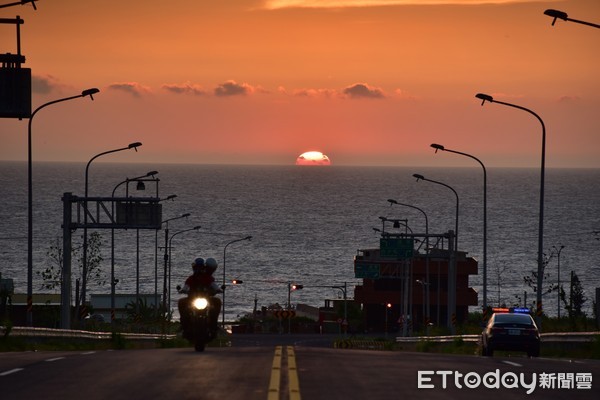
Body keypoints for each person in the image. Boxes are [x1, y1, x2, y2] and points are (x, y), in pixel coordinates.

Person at [177, 257, 222, 335]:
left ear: (204, 268)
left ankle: (214, 324)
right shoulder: (191, 279)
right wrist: (182, 290)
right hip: (192, 299)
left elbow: (214, 285)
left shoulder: (208, 278)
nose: (199, 270)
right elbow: (186, 286)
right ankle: (183, 324)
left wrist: (219, 289)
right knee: (181, 302)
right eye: (197, 268)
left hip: (206, 299)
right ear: (194, 268)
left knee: (217, 302)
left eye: (200, 268)